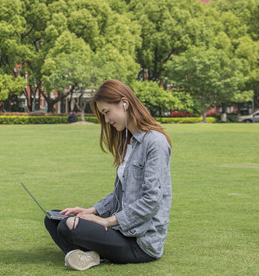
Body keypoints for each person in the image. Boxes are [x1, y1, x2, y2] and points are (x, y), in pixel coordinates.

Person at [44, 79, 172, 271]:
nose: (106, 120)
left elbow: (152, 200)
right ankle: (93, 255)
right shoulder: (126, 143)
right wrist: (91, 211)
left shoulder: (155, 142)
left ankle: (92, 254)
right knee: (54, 219)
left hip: (141, 242)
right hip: (121, 231)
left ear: (124, 103)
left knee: (67, 226)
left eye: (106, 112)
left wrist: (107, 221)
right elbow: (119, 194)